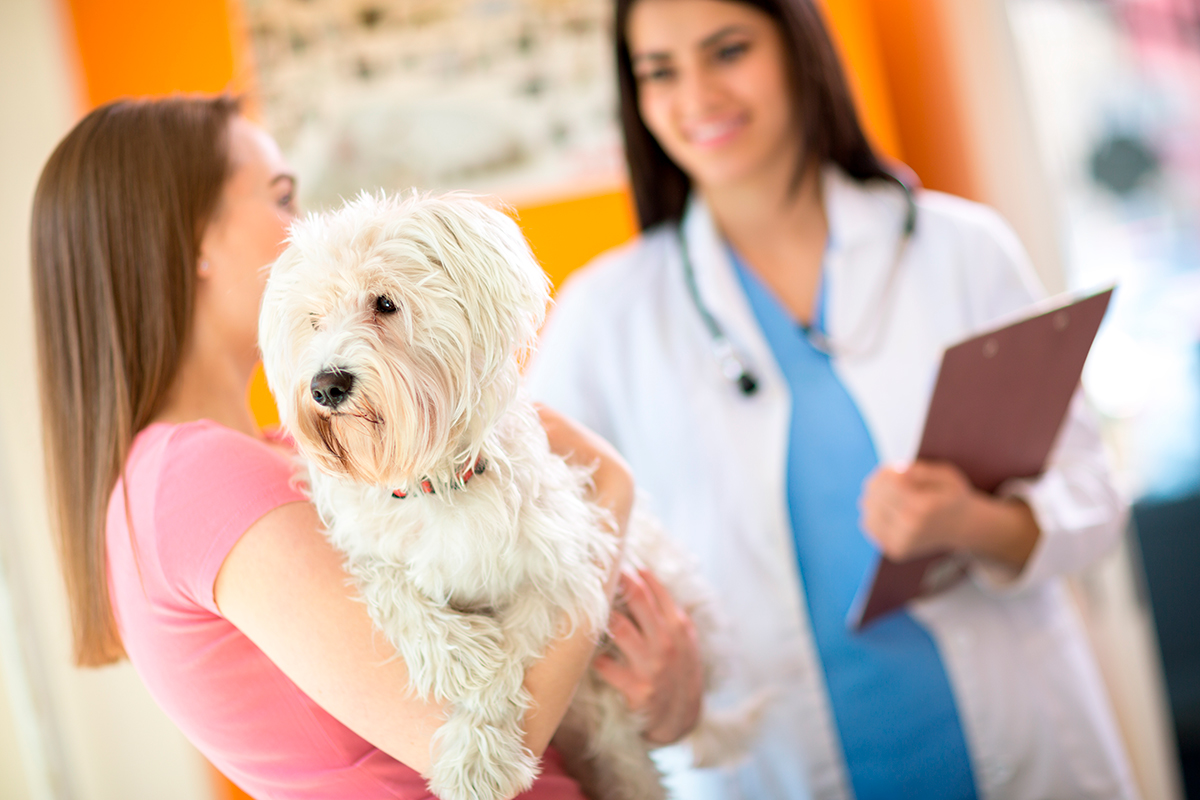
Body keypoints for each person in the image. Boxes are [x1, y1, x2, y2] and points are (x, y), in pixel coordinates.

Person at [528, 1, 1139, 798]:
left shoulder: (958, 248)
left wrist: (971, 523)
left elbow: (1090, 490)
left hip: (1024, 746)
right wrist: (645, 680)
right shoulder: (604, 316)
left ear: (799, 51)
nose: (697, 96)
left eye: (728, 51)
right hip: (768, 766)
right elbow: (536, 553)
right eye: (660, 72)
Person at [31, 95, 702, 799]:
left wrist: (660, 699)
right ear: (192, 237)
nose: (308, 223)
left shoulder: (290, 450)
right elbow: (483, 743)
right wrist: (612, 496)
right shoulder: (197, 476)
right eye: (281, 196)